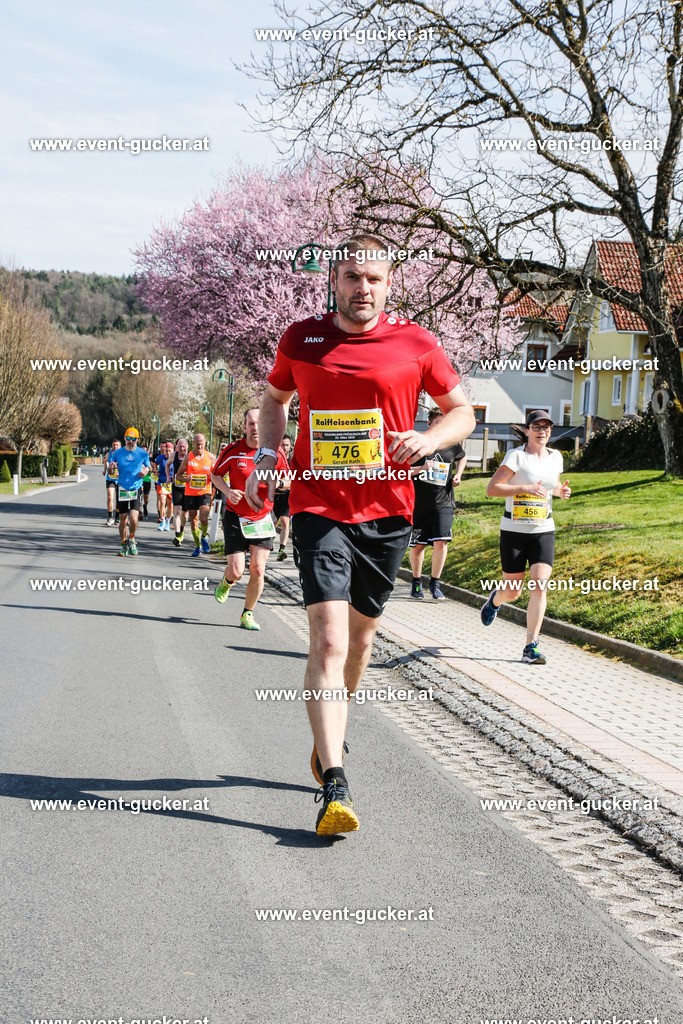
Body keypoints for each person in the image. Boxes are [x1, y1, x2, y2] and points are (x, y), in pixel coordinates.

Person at [244, 234, 475, 836]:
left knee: (360, 643)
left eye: (372, 278)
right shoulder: (302, 338)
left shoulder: (416, 343)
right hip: (319, 507)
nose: (361, 289)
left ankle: (328, 743)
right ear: (333, 280)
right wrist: (270, 450)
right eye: (350, 277)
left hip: (388, 512)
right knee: (326, 640)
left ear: (389, 282)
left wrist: (431, 439)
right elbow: (274, 399)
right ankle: (336, 783)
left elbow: (462, 411)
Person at [480, 410, 571, 664]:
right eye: (537, 427)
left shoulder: (556, 457)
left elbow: (550, 486)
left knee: (539, 583)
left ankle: (531, 646)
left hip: (543, 529)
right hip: (514, 531)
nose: (543, 431)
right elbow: (492, 488)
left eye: (547, 427)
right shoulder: (516, 456)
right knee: (512, 592)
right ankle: (495, 601)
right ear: (528, 430)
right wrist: (524, 488)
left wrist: (559, 491)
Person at [211, 409, 289, 630]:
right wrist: (228, 490)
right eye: (251, 424)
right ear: (245, 427)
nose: (255, 428)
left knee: (258, 569)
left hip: (263, 517)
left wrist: (279, 483)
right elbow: (215, 474)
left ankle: (247, 614)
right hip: (236, 515)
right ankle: (227, 581)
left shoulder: (276, 453)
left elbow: (289, 479)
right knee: (236, 570)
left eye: (259, 423)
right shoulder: (233, 451)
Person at [409, 408, 467, 600]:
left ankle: (435, 584)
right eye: (437, 423)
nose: (441, 427)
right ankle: (416, 582)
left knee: (441, 542)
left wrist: (458, 474)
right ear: (429, 424)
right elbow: (404, 472)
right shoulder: (417, 445)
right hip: (419, 504)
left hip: (444, 502)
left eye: (444, 423)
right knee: (418, 547)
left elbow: (462, 456)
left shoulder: (452, 444)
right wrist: (422, 468)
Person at [107, 428, 151, 557]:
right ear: (124, 438)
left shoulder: (142, 454)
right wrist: (111, 468)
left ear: (137, 439)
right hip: (122, 488)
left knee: (133, 518)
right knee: (122, 518)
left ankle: (132, 539)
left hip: (136, 488)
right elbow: (111, 472)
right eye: (128, 439)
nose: (130, 441)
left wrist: (145, 471)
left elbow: (148, 467)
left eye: (133, 439)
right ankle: (123, 544)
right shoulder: (117, 453)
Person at [176, 433, 215, 556]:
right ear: (193, 444)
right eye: (197, 444)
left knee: (204, 518)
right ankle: (197, 546)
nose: (200, 446)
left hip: (205, 492)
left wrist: (212, 478)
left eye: (202, 444)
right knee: (194, 521)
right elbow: (178, 475)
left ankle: (204, 537)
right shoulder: (188, 457)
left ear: (205, 444)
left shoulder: (210, 457)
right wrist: (186, 479)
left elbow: (217, 475)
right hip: (191, 493)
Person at [273, 434, 293, 561]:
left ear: (290, 447)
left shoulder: (293, 462)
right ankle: (267, 544)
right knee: (272, 523)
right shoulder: (274, 458)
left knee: (285, 522)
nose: (284, 448)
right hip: (274, 495)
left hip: (287, 496)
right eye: (283, 445)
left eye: (287, 445)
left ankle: (282, 549)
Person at [167, 438, 189, 546]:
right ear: (177, 448)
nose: (182, 449)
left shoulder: (190, 456)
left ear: (187, 447)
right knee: (177, 511)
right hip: (176, 486)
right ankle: (177, 534)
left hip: (187, 488)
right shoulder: (173, 456)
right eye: (180, 447)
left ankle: (182, 529)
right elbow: (167, 464)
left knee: (184, 515)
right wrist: (168, 477)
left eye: (184, 446)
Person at [155, 441, 173, 532]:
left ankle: (168, 521)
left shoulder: (175, 459)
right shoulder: (160, 458)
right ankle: (162, 521)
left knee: (170, 505)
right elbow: (155, 463)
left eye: (170, 451)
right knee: (162, 502)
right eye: (166, 451)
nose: (168, 453)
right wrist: (156, 471)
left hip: (171, 485)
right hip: (161, 483)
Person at [102, 439, 121, 526]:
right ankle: (110, 517)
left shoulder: (122, 455)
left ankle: (117, 518)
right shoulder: (108, 454)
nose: (115, 446)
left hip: (120, 479)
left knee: (118, 500)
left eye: (117, 445)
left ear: (120, 446)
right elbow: (106, 461)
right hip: (110, 478)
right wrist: (104, 470)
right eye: (114, 445)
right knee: (110, 497)